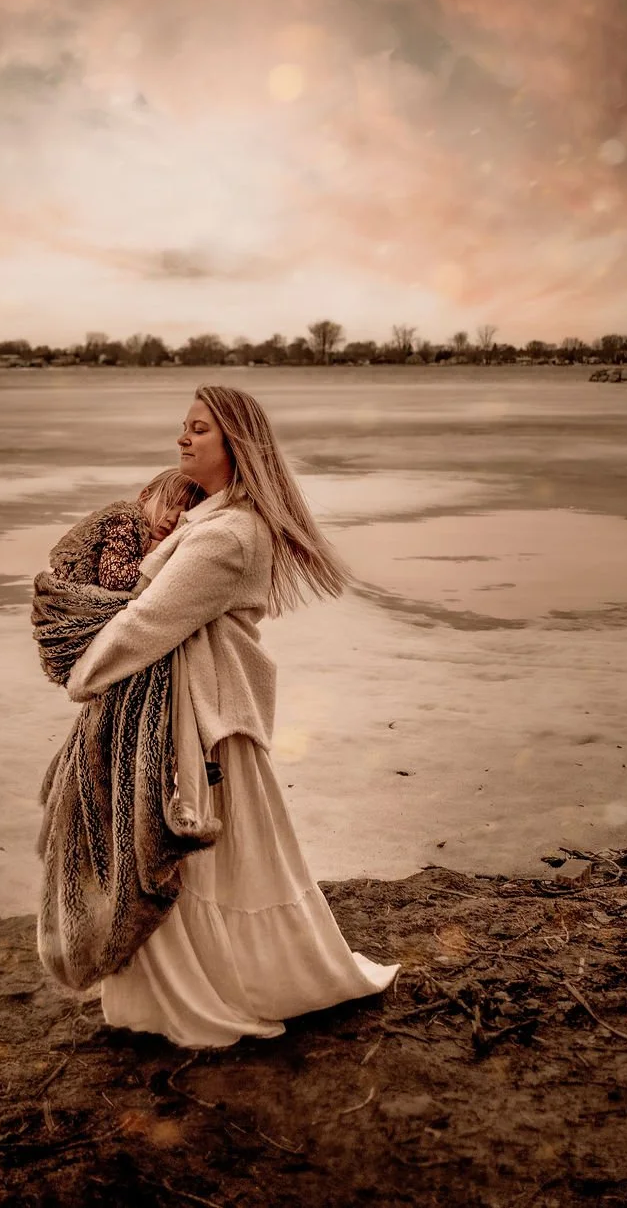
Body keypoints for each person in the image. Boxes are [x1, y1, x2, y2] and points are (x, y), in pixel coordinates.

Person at [65, 384, 400, 1048]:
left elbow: (148, 622)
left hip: (204, 721)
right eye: (182, 427)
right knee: (192, 856)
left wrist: (80, 673)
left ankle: (220, 986)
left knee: (196, 857)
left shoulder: (230, 535)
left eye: (199, 429)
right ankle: (177, 986)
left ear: (235, 445)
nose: (183, 439)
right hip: (186, 711)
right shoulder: (202, 519)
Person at [48, 467, 204, 592]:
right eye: (168, 504)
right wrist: (155, 555)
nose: (172, 518)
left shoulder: (143, 532)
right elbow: (113, 579)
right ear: (144, 497)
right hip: (67, 599)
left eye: (182, 514)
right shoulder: (124, 521)